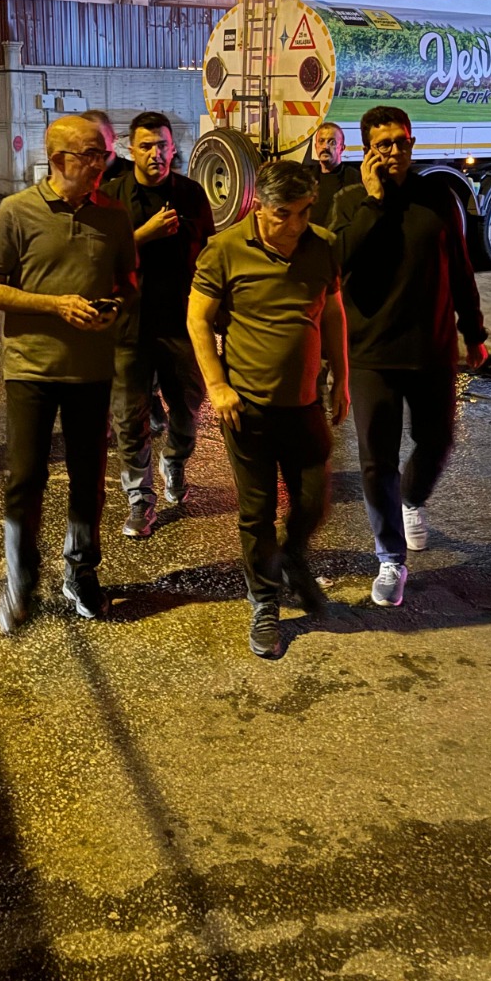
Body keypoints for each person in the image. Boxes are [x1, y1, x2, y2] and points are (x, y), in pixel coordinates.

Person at [0, 114, 137, 630]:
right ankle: (20, 578)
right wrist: (55, 305)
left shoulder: (114, 217)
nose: (102, 163)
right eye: (93, 154)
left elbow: (127, 283)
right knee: (26, 478)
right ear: (61, 158)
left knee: (89, 480)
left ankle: (81, 573)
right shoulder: (18, 213)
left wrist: (115, 305)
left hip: (92, 371)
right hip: (32, 370)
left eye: (104, 154)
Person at [188, 160, 348, 659]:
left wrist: (341, 374)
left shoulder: (321, 245)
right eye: (284, 213)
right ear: (258, 203)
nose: (295, 225)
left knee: (314, 500)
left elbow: (335, 310)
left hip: (304, 404)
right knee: (256, 513)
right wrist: (217, 385)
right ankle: (264, 602)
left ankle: (295, 556)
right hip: (248, 408)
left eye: (304, 212)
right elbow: (197, 319)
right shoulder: (225, 249)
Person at [330, 105, 487, 609]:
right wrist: (374, 203)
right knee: (377, 462)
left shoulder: (438, 197)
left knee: (438, 439)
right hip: (371, 354)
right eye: (383, 145)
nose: (394, 153)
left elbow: (461, 269)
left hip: (434, 350)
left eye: (402, 142)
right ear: (366, 149)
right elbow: (336, 263)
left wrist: (474, 333)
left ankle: (413, 499)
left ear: (412, 143)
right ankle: (390, 559)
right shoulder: (350, 201)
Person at [105, 110, 214, 537]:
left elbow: (208, 256)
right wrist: (141, 235)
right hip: (129, 328)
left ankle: (175, 460)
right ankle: (140, 499)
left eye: (163, 145)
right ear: (130, 150)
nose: (157, 154)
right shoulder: (112, 198)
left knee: (188, 409)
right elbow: (96, 261)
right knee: (129, 418)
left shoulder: (191, 194)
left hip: (182, 325)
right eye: (147, 146)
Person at [310, 122, 361, 227]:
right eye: (321, 141)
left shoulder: (355, 178)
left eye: (332, 142)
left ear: (342, 148)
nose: (325, 147)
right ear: (316, 147)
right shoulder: (306, 178)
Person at [82, 109, 134, 183]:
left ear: (113, 135)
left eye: (101, 138)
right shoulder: (77, 175)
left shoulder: (134, 173)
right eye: (87, 140)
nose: (95, 145)